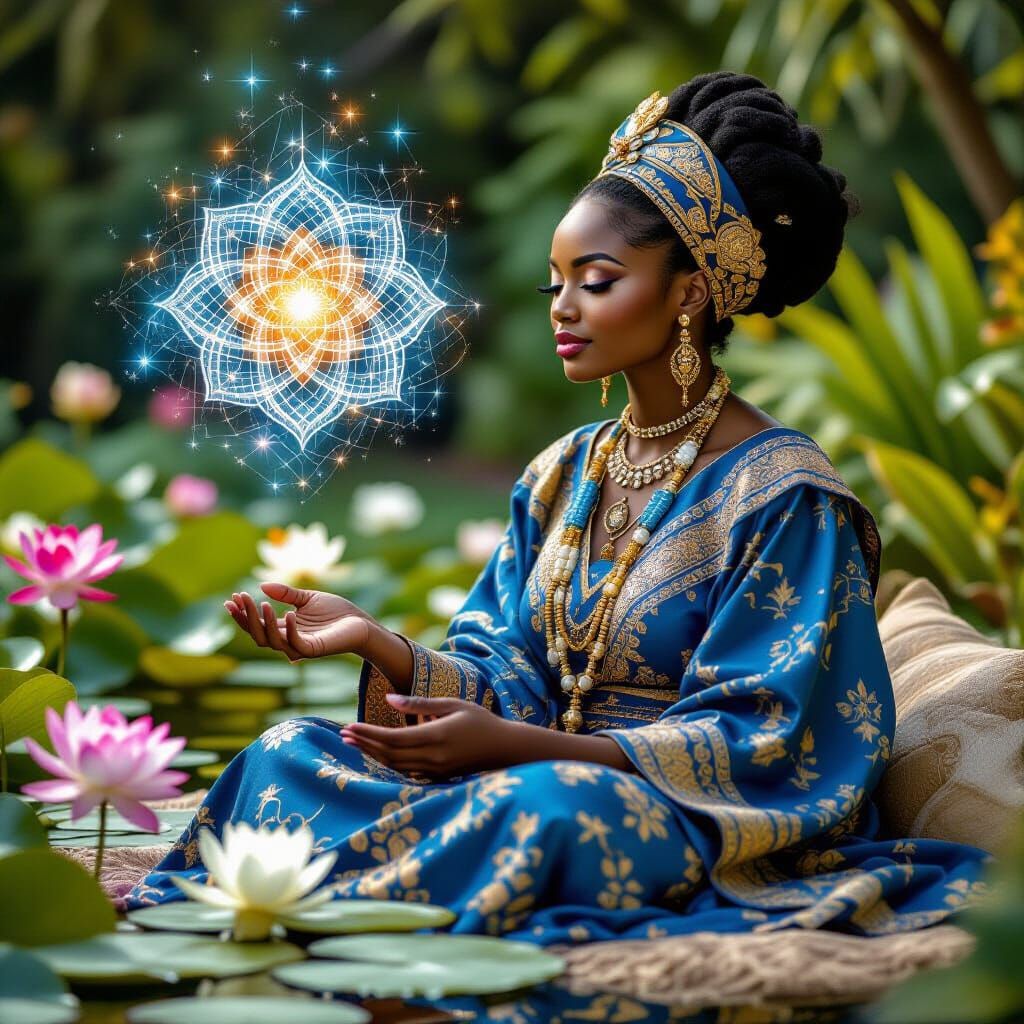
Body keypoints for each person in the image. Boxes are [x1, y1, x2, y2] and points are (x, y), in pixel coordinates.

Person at [125, 71, 995, 944]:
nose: (564, 309)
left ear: (689, 292)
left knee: (545, 808)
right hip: (518, 776)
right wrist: (378, 642)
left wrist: (519, 751)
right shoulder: (560, 475)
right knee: (290, 754)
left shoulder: (789, 498)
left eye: (597, 279)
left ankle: (363, 899)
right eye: (555, 282)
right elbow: (510, 670)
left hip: (675, 816)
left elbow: (767, 740)